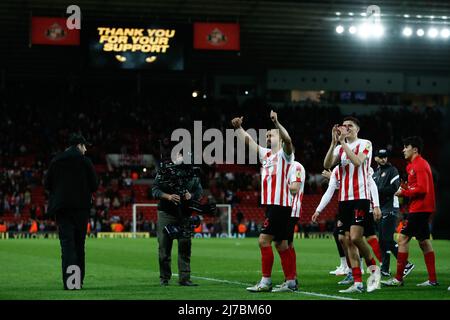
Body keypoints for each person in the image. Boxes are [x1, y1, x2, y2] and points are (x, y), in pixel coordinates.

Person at [231, 110, 296, 292]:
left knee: (263, 241)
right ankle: (290, 281)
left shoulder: (286, 154)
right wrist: (238, 128)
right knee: (281, 244)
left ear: (280, 138)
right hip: (273, 205)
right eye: (266, 135)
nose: (268, 136)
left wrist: (277, 123)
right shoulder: (265, 154)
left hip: (279, 204)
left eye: (271, 134)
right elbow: (249, 141)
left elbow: (289, 140)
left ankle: (266, 281)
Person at [322, 117, 381, 293]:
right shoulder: (339, 148)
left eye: (350, 126)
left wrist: (342, 143)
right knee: (347, 241)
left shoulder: (366, 143)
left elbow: (357, 161)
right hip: (344, 199)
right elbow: (326, 165)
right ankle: (357, 282)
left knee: (355, 237)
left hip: (360, 197)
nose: (346, 128)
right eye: (344, 126)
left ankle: (374, 270)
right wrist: (333, 143)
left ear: (357, 129)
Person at [312, 165, 382, 287]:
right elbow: (330, 191)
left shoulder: (361, 166)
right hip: (344, 204)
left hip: (360, 202)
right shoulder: (336, 171)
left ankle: (374, 270)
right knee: (343, 239)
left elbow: (372, 185)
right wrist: (318, 210)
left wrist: (376, 205)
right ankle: (355, 278)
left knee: (355, 238)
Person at [382, 136, 438, 287]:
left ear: (415, 149)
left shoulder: (419, 165)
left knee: (402, 239)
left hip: (420, 209)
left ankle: (398, 278)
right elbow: (417, 187)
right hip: (422, 208)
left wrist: (404, 193)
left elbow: (422, 189)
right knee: (424, 242)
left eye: (406, 147)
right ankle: (433, 280)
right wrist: (406, 188)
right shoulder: (413, 165)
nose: (403, 150)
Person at [45, 133, 98, 290]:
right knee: (79, 244)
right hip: (81, 209)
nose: (86, 149)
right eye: (85, 146)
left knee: (67, 246)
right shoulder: (85, 161)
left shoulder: (56, 160)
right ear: (79, 145)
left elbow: (47, 184)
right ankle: (78, 282)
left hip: (62, 209)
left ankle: (70, 282)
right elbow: (94, 185)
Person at [152, 152, 203, 286]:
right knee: (164, 247)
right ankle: (164, 278)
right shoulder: (165, 171)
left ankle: (184, 278)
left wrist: (190, 195)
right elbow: (154, 190)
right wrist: (168, 196)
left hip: (185, 214)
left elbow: (199, 192)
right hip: (166, 213)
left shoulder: (193, 173)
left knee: (185, 245)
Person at [372, 149, 415, 277]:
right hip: (380, 209)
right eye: (381, 157)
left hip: (391, 208)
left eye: (385, 157)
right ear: (376, 159)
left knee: (387, 240)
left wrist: (377, 191)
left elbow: (393, 188)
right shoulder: (375, 174)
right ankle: (385, 268)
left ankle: (406, 264)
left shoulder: (393, 170)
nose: (384, 159)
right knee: (382, 241)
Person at [272, 159, 305, 292]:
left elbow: (294, 189)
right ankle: (292, 278)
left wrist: (276, 184)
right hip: (286, 208)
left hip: (290, 209)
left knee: (282, 243)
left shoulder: (296, 166)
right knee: (288, 244)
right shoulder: (284, 167)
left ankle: (290, 280)